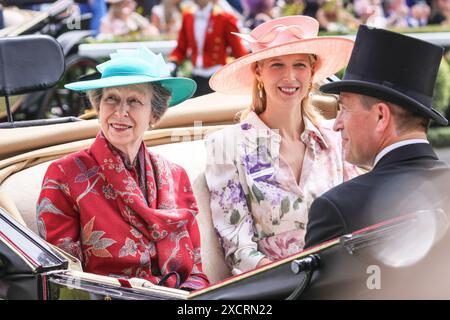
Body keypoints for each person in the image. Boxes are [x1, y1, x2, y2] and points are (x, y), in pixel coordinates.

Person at [36, 47, 209, 290]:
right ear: (98, 107)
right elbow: (63, 277)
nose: (120, 112)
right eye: (111, 99)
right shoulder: (64, 175)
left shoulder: (175, 175)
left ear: (154, 113)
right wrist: (133, 289)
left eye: (134, 101)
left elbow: (196, 270)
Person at [205, 15, 360, 274]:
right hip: (274, 289)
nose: (289, 76)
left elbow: (358, 221)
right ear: (259, 72)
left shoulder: (335, 141)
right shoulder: (226, 146)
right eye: (277, 65)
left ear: (311, 73)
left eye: (299, 65)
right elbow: (239, 250)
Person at [304, 25, 450, 249]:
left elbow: (310, 284)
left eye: (343, 109)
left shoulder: (337, 208)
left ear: (381, 116)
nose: (336, 124)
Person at [168, 0, 248, 96]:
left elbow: (238, 51)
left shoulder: (225, 18)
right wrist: (172, 63)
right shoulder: (188, 16)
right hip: (195, 78)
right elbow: (181, 48)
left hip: (217, 78)